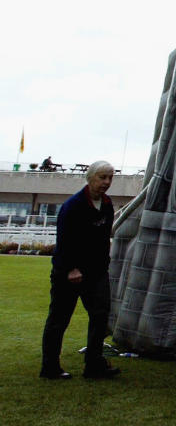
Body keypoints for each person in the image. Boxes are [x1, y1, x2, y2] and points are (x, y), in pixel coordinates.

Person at [40, 160, 121, 380]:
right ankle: (50, 367)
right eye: (102, 177)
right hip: (69, 273)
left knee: (100, 315)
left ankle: (94, 365)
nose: (106, 182)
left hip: (96, 273)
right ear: (90, 178)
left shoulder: (106, 204)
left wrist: (103, 265)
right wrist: (71, 269)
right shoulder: (73, 206)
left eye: (110, 178)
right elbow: (65, 241)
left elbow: (104, 239)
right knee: (59, 319)